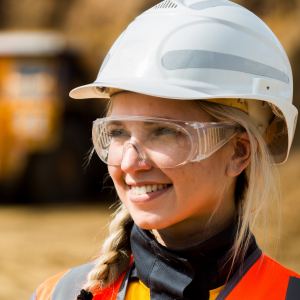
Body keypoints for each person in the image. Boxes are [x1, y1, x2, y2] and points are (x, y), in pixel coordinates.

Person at [31, 0, 300, 299]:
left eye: (164, 132)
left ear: (238, 152)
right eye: (118, 132)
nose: (131, 162)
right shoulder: (59, 293)